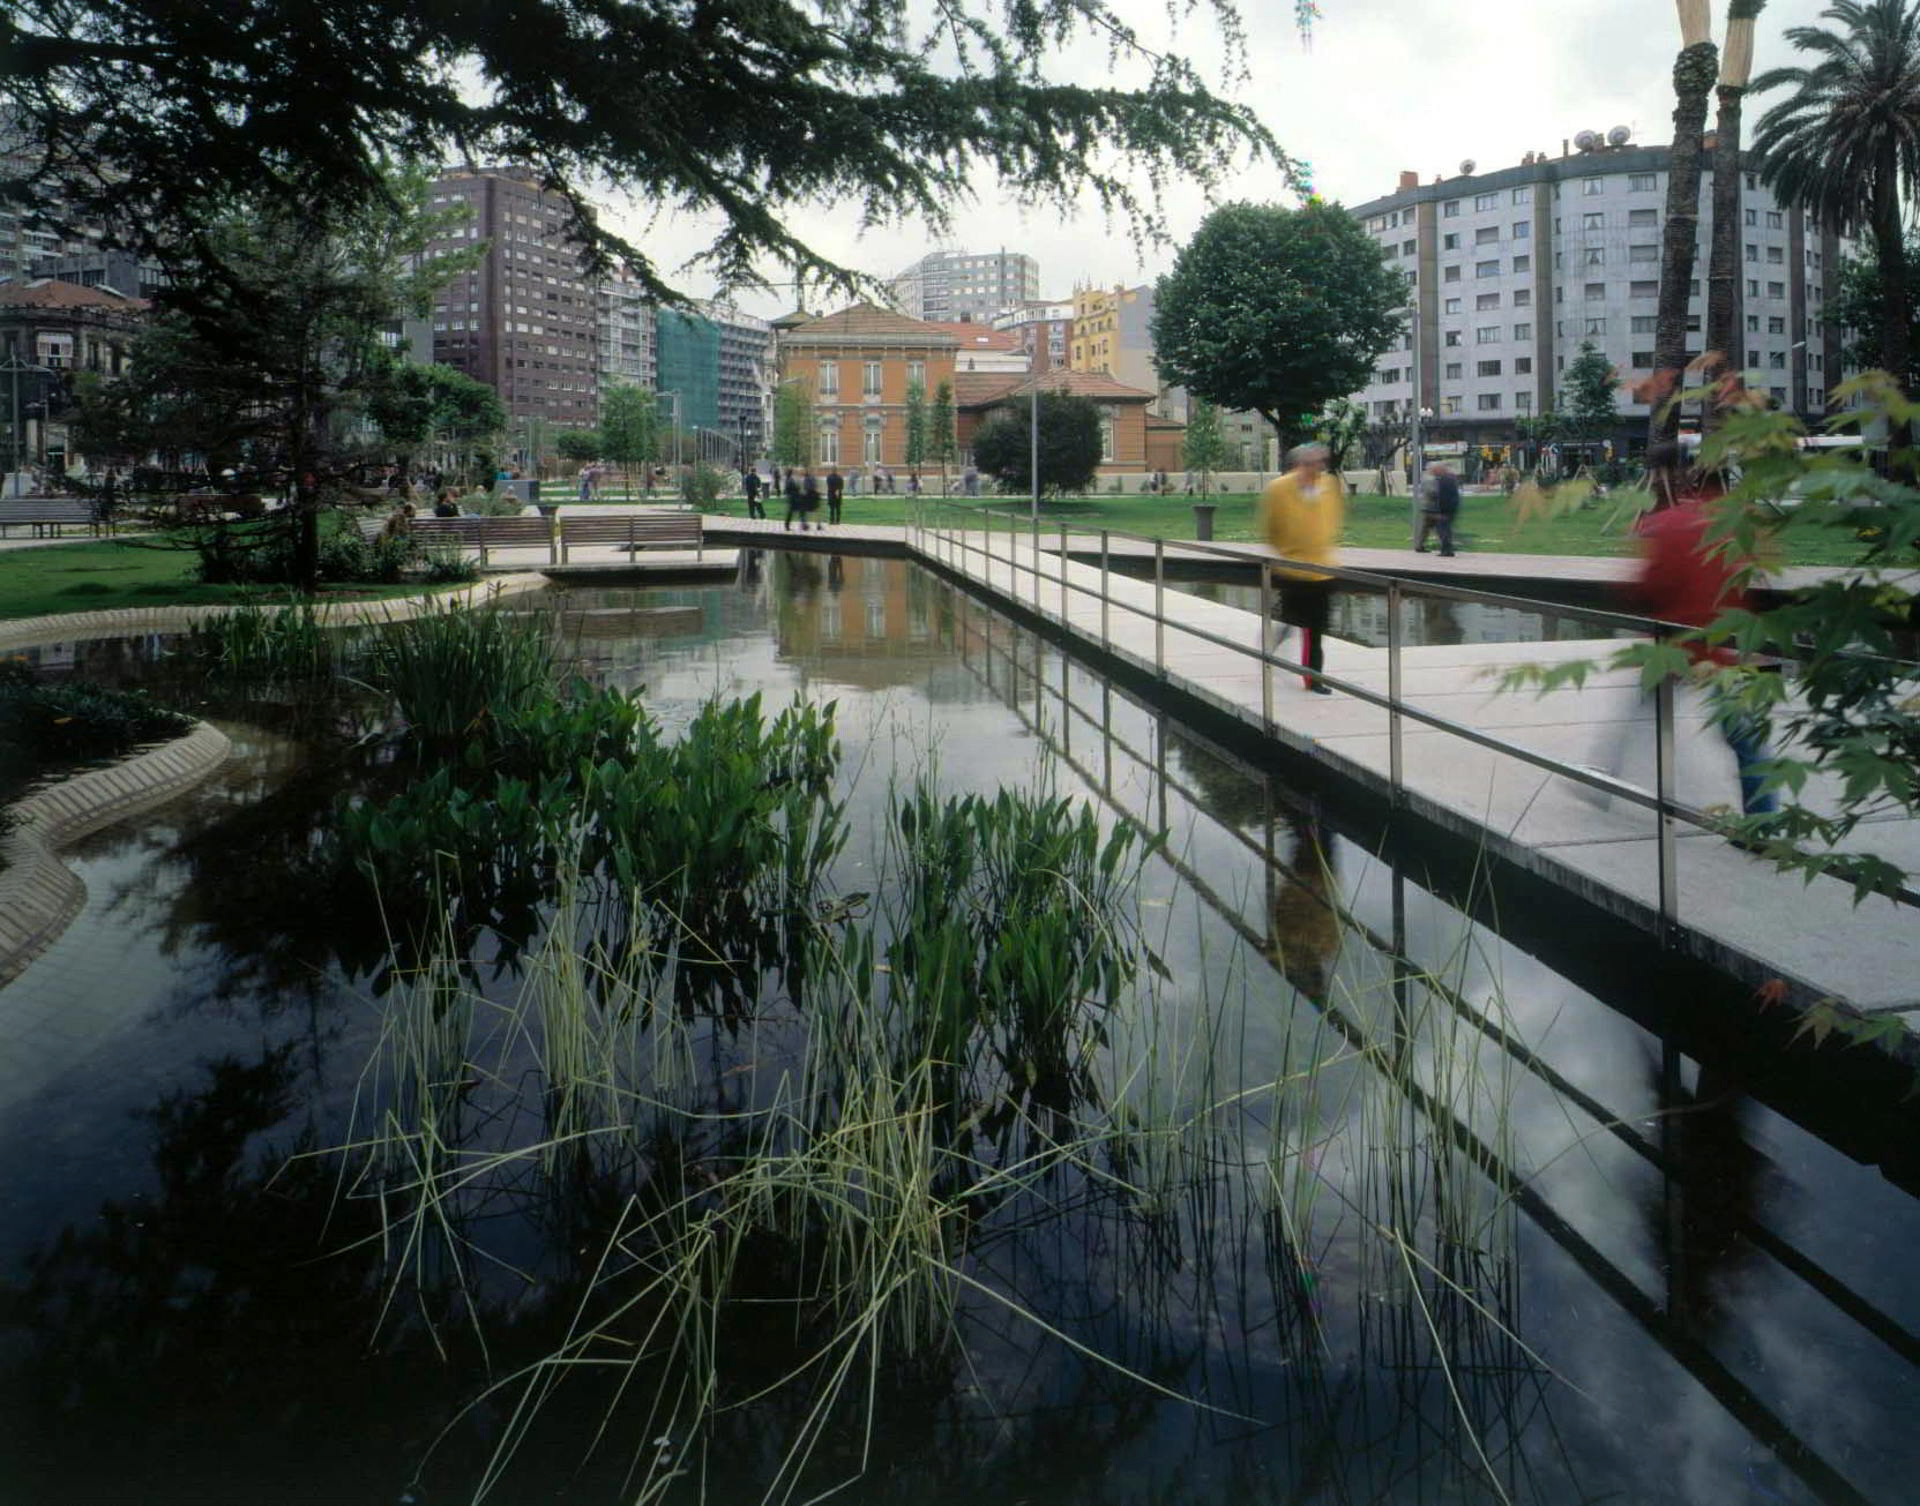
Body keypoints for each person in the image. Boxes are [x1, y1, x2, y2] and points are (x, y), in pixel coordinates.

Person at [1577, 443, 1778, 817]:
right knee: (1742, 734)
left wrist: (1628, 590)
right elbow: (1753, 581)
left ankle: (1601, 779)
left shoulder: (1668, 526)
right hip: (1724, 643)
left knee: (1638, 708)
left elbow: (1647, 587)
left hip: (1674, 643)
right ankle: (1763, 818)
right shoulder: (1737, 525)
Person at [1258, 442, 1345, 695]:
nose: (1316, 468)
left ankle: (1313, 678)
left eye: (1320, 462)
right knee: (1300, 621)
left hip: (1323, 569)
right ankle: (1282, 641)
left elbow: (1334, 519)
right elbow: (1270, 527)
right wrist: (1287, 553)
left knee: (1316, 628)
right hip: (1293, 569)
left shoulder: (1328, 486)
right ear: (1298, 464)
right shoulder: (1279, 489)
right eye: (1310, 463)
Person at [1415, 461, 1460, 556]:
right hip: (1431, 507)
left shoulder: (1441, 478)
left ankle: (1443, 548)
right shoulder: (1431, 478)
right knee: (1439, 528)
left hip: (1436, 508)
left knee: (1434, 528)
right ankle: (1445, 549)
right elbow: (1433, 492)